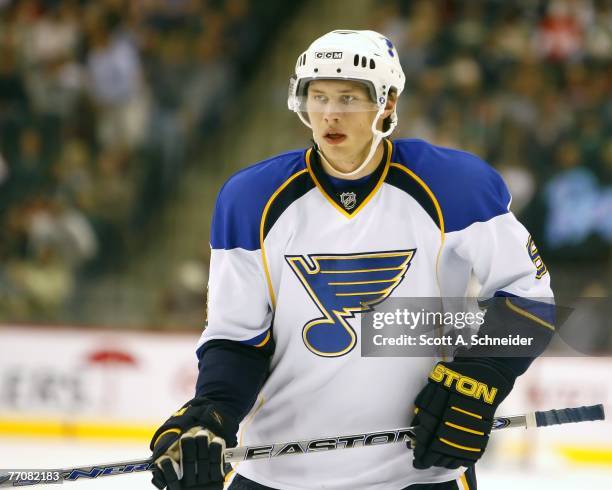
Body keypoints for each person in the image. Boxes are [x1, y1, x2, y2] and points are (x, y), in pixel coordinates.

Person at [149, 30, 554, 490]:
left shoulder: (455, 187)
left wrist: (482, 377)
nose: (330, 113)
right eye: (318, 96)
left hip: (419, 474)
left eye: (348, 97)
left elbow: (530, 293)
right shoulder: (250, 200)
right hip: (279, 475)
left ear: (387, 102)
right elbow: (236, 337)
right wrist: (212, 412)